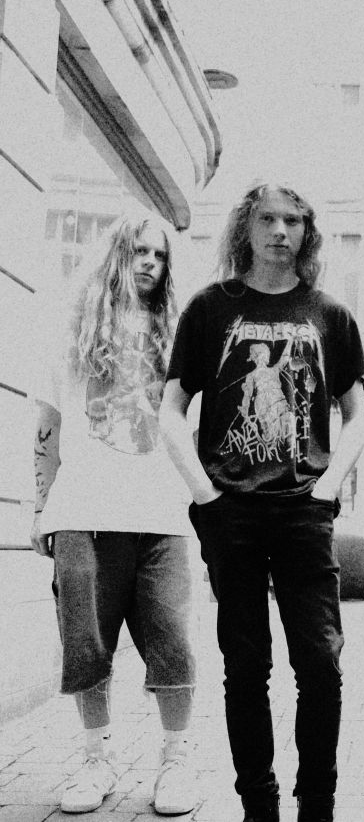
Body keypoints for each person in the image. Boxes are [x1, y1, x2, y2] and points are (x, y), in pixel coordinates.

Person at [159, 181, 364, 822]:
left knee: (321, 665)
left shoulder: (329, 314)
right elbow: (171, 409)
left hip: (304, 511)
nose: (281, 231)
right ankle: (259, 806)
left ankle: (317, 804)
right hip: (232, 513)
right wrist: (205, 493)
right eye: (268, 219)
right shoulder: (209, 308)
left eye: (293, 220)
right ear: (246, 227)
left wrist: (327, 489)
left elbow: (356, 414)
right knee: (245, 668)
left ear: (307, 231)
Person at [31, 214, 197, 815]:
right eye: (138, 251)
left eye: (160, 254)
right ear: (115, 257)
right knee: (87, 646)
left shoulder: (179, 337)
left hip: (162, 517)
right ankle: (94, 760)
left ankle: (175, 760)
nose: (150, 262)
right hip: (84, 512)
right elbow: (48, 427)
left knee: (173, 645)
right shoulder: (72, 331)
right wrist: (40, 506)